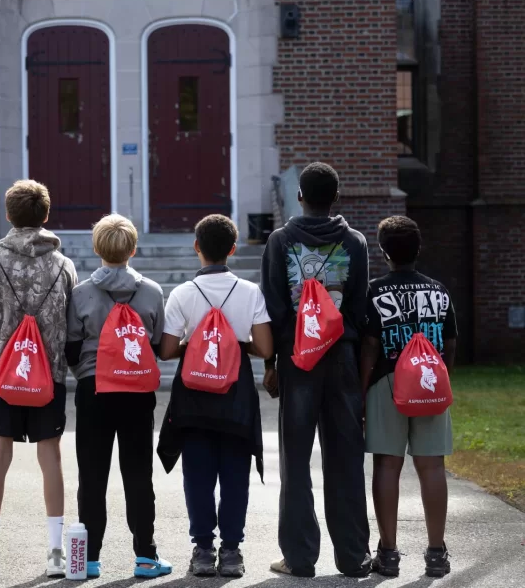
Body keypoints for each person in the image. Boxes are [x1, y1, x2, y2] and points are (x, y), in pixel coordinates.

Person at [260, 162, 372, 578]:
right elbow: (359, 309)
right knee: (345, 458)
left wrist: (270, 363)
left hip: (297, 358)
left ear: (300, 197)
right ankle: (353, 557)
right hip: (341, 358)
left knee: (296, 460)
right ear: (336, 197)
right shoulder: (355, 242)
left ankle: (300, 557)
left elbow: (272, 306)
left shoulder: (280, 241)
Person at [157, 214, 273, 578]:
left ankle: (203, 549)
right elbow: (266, 345)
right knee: (235, 473)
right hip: (235, 392)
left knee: (198, 473)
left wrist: (197, 345)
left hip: (193, 394)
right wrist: (235, 345)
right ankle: (233, 551)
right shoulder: (250, 291)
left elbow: (166, 350)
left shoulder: (182, 293)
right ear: (233, 250)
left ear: (197, 248)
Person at [0, 180, 77, 578]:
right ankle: (55, 551)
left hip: (4, 373)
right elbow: (69, 324)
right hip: (48, 375)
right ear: (46, 214)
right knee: (49, 456)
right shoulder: (63, 265)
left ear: (8, 214)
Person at [65, 214, 171, 579]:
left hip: (94, 390)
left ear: (96, 248)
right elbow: (157, 345)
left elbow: (71, 350)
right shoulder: (153, 292)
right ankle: (145, 556)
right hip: (137, 393)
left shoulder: (80, 293)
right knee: (139, 474)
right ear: (133, 249)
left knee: (92, 475)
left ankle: (90, 558)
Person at [360, 216, 456, 578]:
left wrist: (361, 391)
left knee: (387, 465)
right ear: (419, 249)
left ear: (384, 251)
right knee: (432, 466)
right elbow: (450, 343)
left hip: (387, 381)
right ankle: (435, 553)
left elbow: (369, 345)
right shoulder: (439, 291)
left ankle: (388, 553)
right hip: (430, 384)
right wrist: (446, 383)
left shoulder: (374, 292)